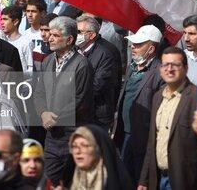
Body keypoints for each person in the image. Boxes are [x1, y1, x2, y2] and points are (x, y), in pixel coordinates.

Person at [138, 46, 197, 190]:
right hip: (157, 178)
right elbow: (152, 142)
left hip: (184, 181)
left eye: (175, 65)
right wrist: (144, 180)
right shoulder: (157, 97)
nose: (169, 69)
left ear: (186, 68)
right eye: (165, 65)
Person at [35, 16, 94, 184]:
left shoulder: (82, 65)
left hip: (73, 135)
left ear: (69, 40)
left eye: (55, 35)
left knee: (71, 183)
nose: (50, 38)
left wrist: (55, 117)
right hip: (52, 136)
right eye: (50, 34)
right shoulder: (48, 61)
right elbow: (39, 92)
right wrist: (43, 113)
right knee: (48, 181)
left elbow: (81, 100)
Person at [113, 25, 165, 184]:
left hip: (142, 138)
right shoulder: (132, 67)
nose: (133, 47)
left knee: (139, 180)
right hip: (123, 133)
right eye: (133, 44)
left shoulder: (160, 72)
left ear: (151, 49)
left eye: (138, 44)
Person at [75, 15, 122, 130]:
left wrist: (71, 92)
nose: (76, 35)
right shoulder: (74, 50)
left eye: (79, 32)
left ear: (92, 35)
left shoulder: (106, 54)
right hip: (78, 113)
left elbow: (97, 86)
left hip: (96, 117)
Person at [70, 125, 133, 190]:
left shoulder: (116, 183)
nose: (77, 151)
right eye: (74, 146)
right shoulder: (70, 181)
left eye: (84, 146)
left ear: (98, 149)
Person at [1, 5, 34, 77]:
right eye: (1, 19)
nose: (2, 22)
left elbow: (30, 69)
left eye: (5, 19)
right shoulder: (2, 42)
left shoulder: (26, 43)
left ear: (15, 22)